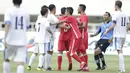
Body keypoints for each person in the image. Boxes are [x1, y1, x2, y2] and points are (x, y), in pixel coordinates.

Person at [3, 0, 30, 73]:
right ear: (21, 1)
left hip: (10, 39)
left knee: (6, 59)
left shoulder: (8, 11)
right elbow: (27, 27)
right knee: (20, 63)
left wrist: (5, 38)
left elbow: (7, 25)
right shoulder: (26, 12)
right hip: (22, 40)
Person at [104, 1, 130, 73]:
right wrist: (125, 31)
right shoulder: (126, 14)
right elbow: (129, 26)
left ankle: (122, 69)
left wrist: (107, 31)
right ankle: (121, 68)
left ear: (116, 6)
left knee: (119, 51)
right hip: (123, 36)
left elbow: (113, 24)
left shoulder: (115, 14)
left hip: (117, 35)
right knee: (121, 50)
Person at [27, 7, 51, 71]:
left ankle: (29, 65)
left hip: (37, 38)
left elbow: (36, 28)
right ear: (46, 13)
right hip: (43, 39)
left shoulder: (38, 20)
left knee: (35, 53)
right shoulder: (46, 20)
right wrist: (51, 33)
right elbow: (48, 27)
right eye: (48, 12)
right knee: (42, 53)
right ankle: (39, 66)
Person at [45, 4, 65, 70]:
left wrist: (60, 18)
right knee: (49, 51)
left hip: (49, 36)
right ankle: (47, 66)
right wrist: (64, 20)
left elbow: (55, 22)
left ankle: (47, 66)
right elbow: (58, 22)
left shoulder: (50, 16)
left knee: (50, 51)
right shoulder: (51, 16)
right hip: (50, 36)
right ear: (54, 9)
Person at [77, 4, 89, 71]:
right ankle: (84, 66)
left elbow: (84, 25)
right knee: (80, 51)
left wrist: (77, 27)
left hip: (83, 35)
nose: (77, 9)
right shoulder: (81, 16)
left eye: (78, 8)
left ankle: (85, 66)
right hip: (81, 35)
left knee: (82, 51)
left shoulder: (84, 16)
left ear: (81, 9)